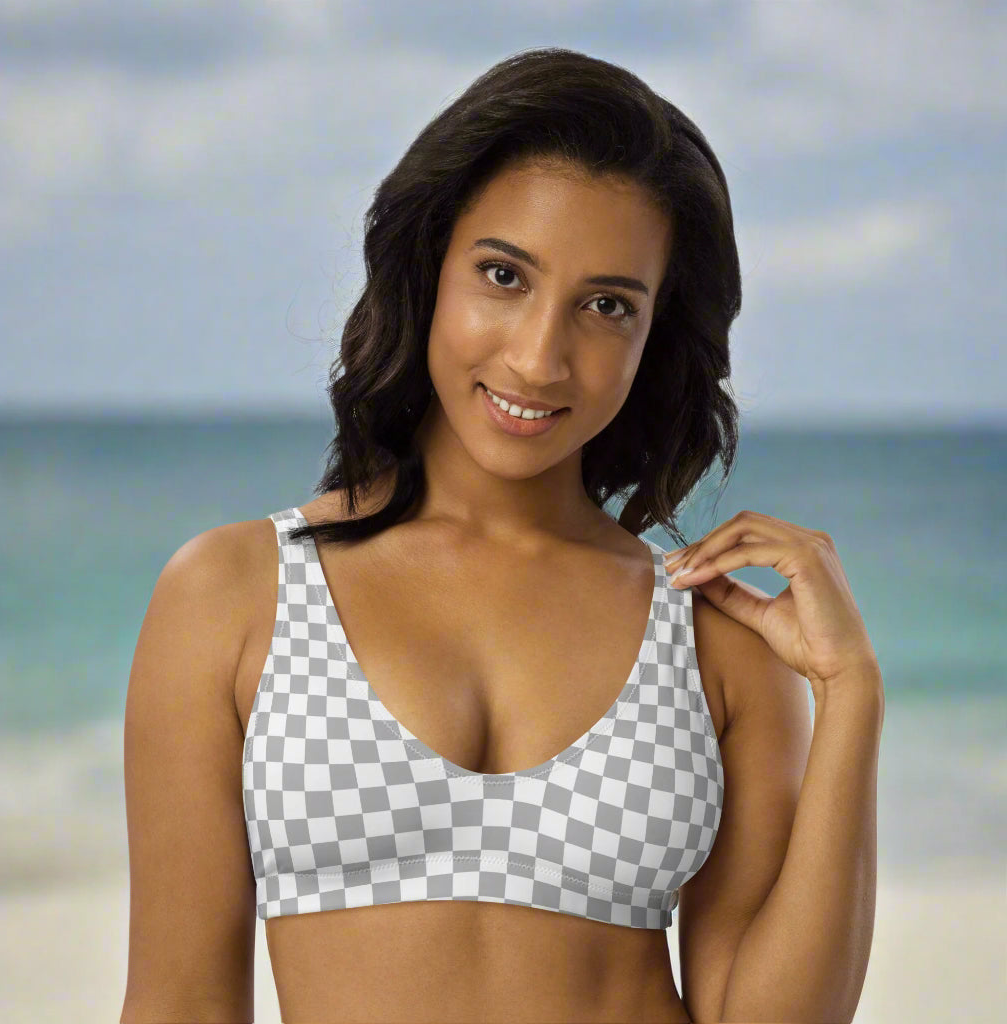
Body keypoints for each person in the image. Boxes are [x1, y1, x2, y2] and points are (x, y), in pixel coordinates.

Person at [120, 47, 821, 1024]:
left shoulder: (716, 639)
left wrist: (855, 696)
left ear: (656, 334)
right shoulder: (234, 594)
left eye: (606, 306)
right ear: (429, 270)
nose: (538, 357)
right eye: (503, 275)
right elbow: (180, 1004)